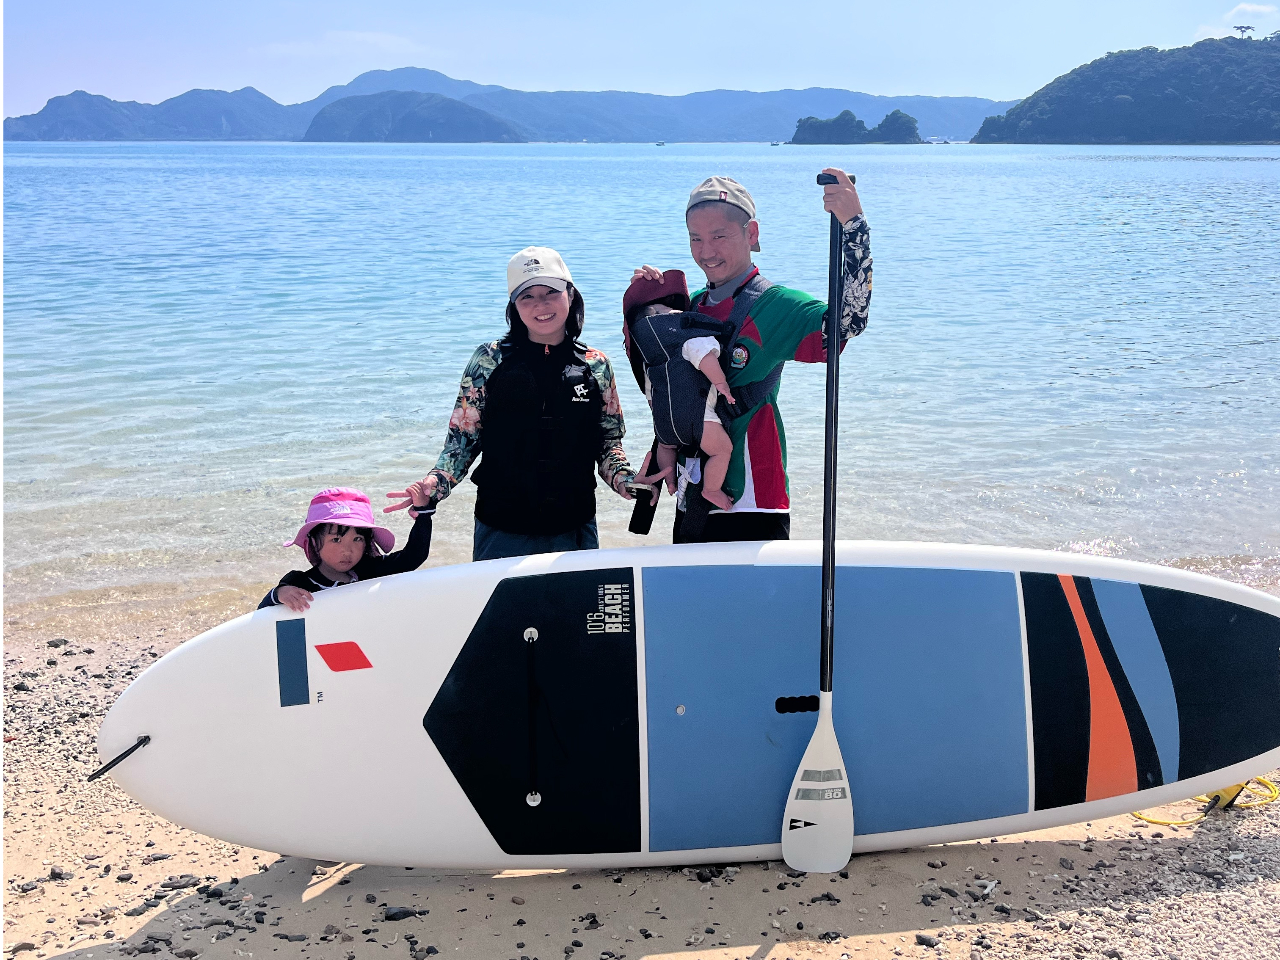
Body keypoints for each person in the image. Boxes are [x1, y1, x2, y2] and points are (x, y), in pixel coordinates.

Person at [629, 170, 871, 543]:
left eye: (719, 236)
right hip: (692, 498)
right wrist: (646, 304)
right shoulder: (691, 307)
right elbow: (671, 388)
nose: (706, 252)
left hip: (754, 502)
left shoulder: (777, 306)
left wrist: (854, 228)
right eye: (696, 238)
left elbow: (849, 322)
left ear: (752, 234)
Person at [387, 246, 637, 561]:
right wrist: (434, 485)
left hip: (575, 526)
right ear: (514, 306)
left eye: (551, 292)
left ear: (571, 295)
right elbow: (462, 441)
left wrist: (626, 481)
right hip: (501, 529)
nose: (541, 304)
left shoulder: (595, 364)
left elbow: (608, 443)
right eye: (526, 296)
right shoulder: (488, 360)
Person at [622, 270, 738, 511]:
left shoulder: (651, 359)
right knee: (722, 450)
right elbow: (704, 357)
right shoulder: (688, 338)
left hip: (664, 419)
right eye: (670, 311)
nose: (676, 312)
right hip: (697, 416)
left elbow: (651, 392)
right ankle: (712, 489)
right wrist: (721, 384)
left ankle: (671, 481)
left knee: (667, 447)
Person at [260, 485, 434, 611]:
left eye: (357, 539)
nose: (348, 550)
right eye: (336, 539)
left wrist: (423, 514)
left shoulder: (371, 570)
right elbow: (261, 618)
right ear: (313, 542)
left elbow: (414, 556)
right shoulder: (300, 583)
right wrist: (280, 594)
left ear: (367, 542)